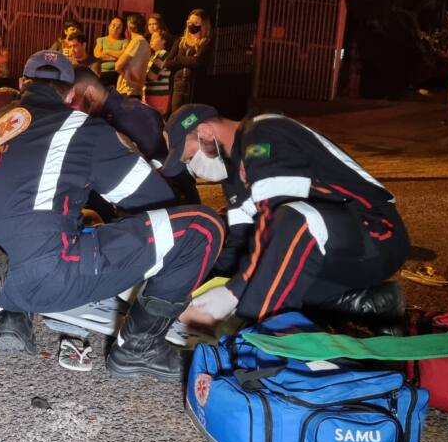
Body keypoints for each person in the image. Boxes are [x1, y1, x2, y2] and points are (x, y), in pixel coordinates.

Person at [0, 51, 223, 381]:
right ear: (72, 95)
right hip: (44, 278)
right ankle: (138, 349)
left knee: (35, 222)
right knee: (202, 227)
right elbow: (155, 198)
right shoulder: (79, 126)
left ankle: (14, 315)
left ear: (22, 85)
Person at [159, 104, 410, 329]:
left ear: (205, 132)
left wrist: (234, 293)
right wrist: (192, 286)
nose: (194, 169)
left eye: (190, 157)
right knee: (264, 270)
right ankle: (368, 304)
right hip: (338, 251)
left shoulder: (263, 134)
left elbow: (277, 218)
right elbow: (239, 245)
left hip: (377, 232)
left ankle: (264, 340)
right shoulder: (234, 177)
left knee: (291, 224)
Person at [69, 66, 200, 204]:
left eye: (71, 101)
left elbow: (161, 173)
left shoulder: (131, 116)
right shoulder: (116, 113)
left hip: (167, 206)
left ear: (90, 93)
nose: (68, 109)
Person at [163, 9, 213, 110]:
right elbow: (167, 63)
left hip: (195, 86)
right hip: (178, 85)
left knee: (191, 116)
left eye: (196, 23)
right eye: (190, 22)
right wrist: (188, 60)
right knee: (176, 114)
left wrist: (179, 58)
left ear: (203, 25)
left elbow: (197, 62)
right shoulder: (181, 41)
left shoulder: (206, 43)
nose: (192, 25)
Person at [115, 13, 151, 98]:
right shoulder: (145, 43)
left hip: (127, 90)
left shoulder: (136, 41)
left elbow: (118, 66)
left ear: (130, 25)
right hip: (137, 90)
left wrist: (123, 72)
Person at [144, 29, 174, 116]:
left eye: (155, 38)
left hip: (158, 95)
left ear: (163, 40)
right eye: (151, 38)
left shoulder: (162, 54)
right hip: (151, 94)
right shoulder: (154, 55)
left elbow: (150, 76)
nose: (151, 40)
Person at [94, 16, 128, 87]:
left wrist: (107, 51)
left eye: (119, 27)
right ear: (109, 26)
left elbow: (124, 55)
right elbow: (97, 55)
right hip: (102, 73)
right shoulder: (101, 40)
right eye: (113, 25)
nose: (115, 28)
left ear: (122, 29)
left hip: (117, 74)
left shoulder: (124, 41)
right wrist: (116, 58)